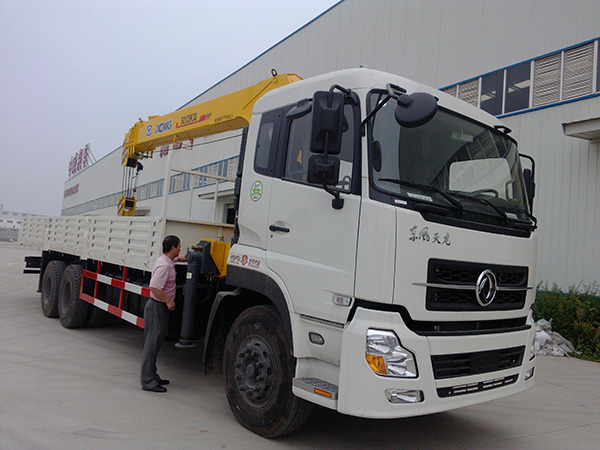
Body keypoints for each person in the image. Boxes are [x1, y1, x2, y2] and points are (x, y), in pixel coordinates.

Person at [140, 235, 186, 392]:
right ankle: (148, 381)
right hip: (157, 307)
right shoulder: (164, 265)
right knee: (151, 345)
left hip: (160, 308)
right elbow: (154, 288)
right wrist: (168, 301)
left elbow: (178, 258)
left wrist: (189, 256)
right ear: (172, 248)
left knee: (156, 343)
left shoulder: (168, 260)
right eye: (178, 246)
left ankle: (152, 375)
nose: (180, 248)